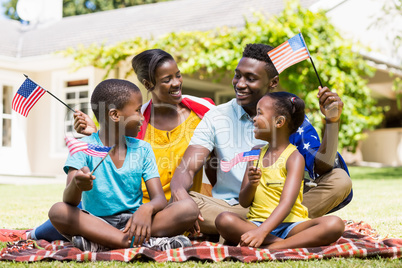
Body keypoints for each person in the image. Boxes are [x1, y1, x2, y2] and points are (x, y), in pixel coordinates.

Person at [28, 49, 215, 242]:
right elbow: (109, 140)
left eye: (178, 75)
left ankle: (102, 241)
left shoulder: (202, 113)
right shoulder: (137, 122)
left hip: (159, 210)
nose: (176, 83)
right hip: (124, 206)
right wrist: (94, 133)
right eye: (167, 79)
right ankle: (127, 240)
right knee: (64, 211)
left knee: (188, 209)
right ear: (148, 84)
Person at [170, 43, 352, 236]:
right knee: (185, 205)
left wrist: (332, 122)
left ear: (273, 82)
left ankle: (249, 230)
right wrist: (180, 193)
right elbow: (187, 167)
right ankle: (284, 230)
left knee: (340, 180)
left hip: (283, 203)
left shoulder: (288, 116)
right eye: (237, 75)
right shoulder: (216, 117)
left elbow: (322, 167)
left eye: (251, 78)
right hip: (232, 207)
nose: (240, 84)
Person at [48, 79, 198, 251]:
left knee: (189, 208)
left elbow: (160, 200)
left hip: (135, 222)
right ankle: (136, 243)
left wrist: (146, 209)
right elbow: (69, 201)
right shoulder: (83, 147)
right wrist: (77, 185)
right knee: (58, 211)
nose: (143, 117)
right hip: (97, 224)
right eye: (137, 110)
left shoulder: (143, 149)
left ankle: (102, 244)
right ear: (115, 115)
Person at [215, 92, 345, 248]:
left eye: (259, 113)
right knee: (223, 219)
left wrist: (262, 232)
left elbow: (286, 203)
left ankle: (272, 246)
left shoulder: (294, 158)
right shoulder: (255, 152)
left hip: (291, 225)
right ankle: (284, 245)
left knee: (334, 224)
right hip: (256, 222)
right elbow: (244, 202)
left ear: (279, 122)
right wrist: (252, 185)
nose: (254, 119)